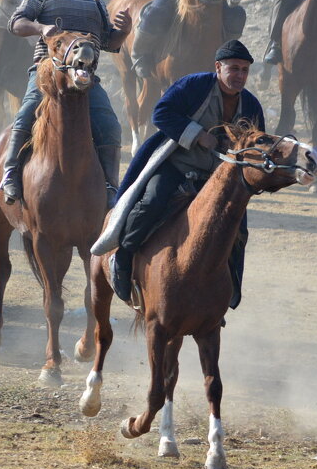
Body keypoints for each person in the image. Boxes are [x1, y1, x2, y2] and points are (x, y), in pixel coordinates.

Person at [109, 39, 264, 306]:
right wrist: (198, 135)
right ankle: (122, 258)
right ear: (218, 67)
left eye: (244, 70)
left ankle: (232, 281)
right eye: (234, 68)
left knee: (238, 226)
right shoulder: (194, 86)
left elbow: (257, 144)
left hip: (217, 178)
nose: (240, 75)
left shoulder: (251, 105)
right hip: (177, 165)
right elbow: (161, 113)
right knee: (152, 201)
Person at [0, 0, 131, 208]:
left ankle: (109, 184)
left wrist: (124, 32)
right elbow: (15, 23)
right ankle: (11, 172)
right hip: (48, 70)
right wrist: (39, 27)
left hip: (84, 75)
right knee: (26, 113)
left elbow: (107, 41)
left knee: (110, 125)